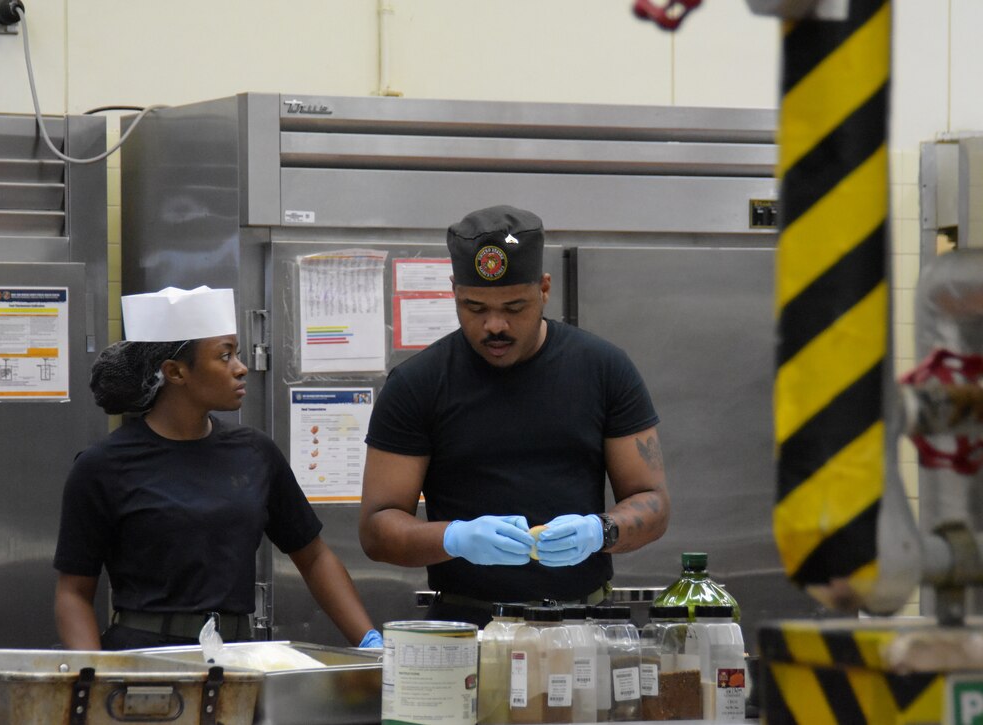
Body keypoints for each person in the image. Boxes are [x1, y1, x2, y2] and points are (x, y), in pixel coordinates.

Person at [359, 205, 670, 627]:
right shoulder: (417, 384)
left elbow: (653, 502)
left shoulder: (603, 369)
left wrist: (603, 531)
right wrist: (456, 538)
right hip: (466, 628)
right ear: (453, 291)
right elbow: (377, 531)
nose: (494, 325)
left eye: (514, 306)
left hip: (583, 624)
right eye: (474, 307)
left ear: (544, 289)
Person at [54, 285, 381, 650]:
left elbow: (315, 556)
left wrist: (369, 642)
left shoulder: (255, 453)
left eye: (238, 354)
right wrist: (95, 677)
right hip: (142, 657)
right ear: (176, 372)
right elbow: (74, 594)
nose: (241, 369)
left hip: (237, 658)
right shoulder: (103, 466)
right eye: (224, 356)